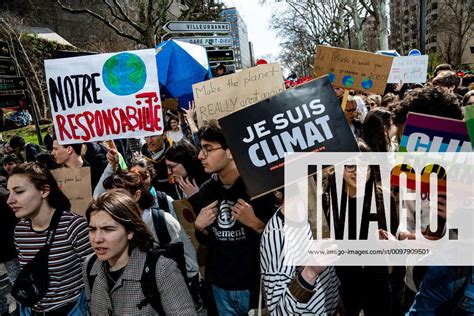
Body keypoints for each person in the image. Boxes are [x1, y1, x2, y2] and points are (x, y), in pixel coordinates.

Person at [189, 123, 277, 315]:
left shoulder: (259, 188)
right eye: (201, 149)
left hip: (256, 285)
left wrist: (256, 224)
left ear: (230, 151)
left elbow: (280, 241)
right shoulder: (206, 191)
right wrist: (200, 228)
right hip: (220, 287)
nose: (200, 156)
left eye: (208, 149)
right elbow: (208, 241)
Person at [83, 190, 196, 315]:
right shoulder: (90, 265)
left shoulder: (161, 269)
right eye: (92, 229)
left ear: (130, 231)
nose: (97, 239)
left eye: (108, 229)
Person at [7, 162, 92, 314]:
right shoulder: (20, 230)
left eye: (19, 191)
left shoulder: (73, 226)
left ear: (44, 191)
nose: (10, 200)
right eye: (9, 193)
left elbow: (94, 275)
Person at [260, 187, 341, 315]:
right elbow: (278, 312)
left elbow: (328, 271)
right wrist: (310, 271)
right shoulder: (277, 236)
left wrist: (336, 301)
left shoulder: (312, 213)